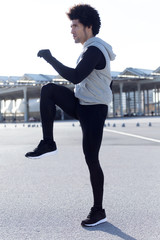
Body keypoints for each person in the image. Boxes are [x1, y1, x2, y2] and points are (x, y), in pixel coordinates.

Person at [25, 4, 116, 227]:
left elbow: (75, 76)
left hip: (94, 111)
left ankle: (99, 211)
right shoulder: (88, 50)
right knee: (49, 90)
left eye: (75, 26)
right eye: (71, 26)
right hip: (81, 104)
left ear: (88, 27)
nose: (72, 30)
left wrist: (50, 58)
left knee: (92, 159)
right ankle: (48, 143)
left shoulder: (95, 50)